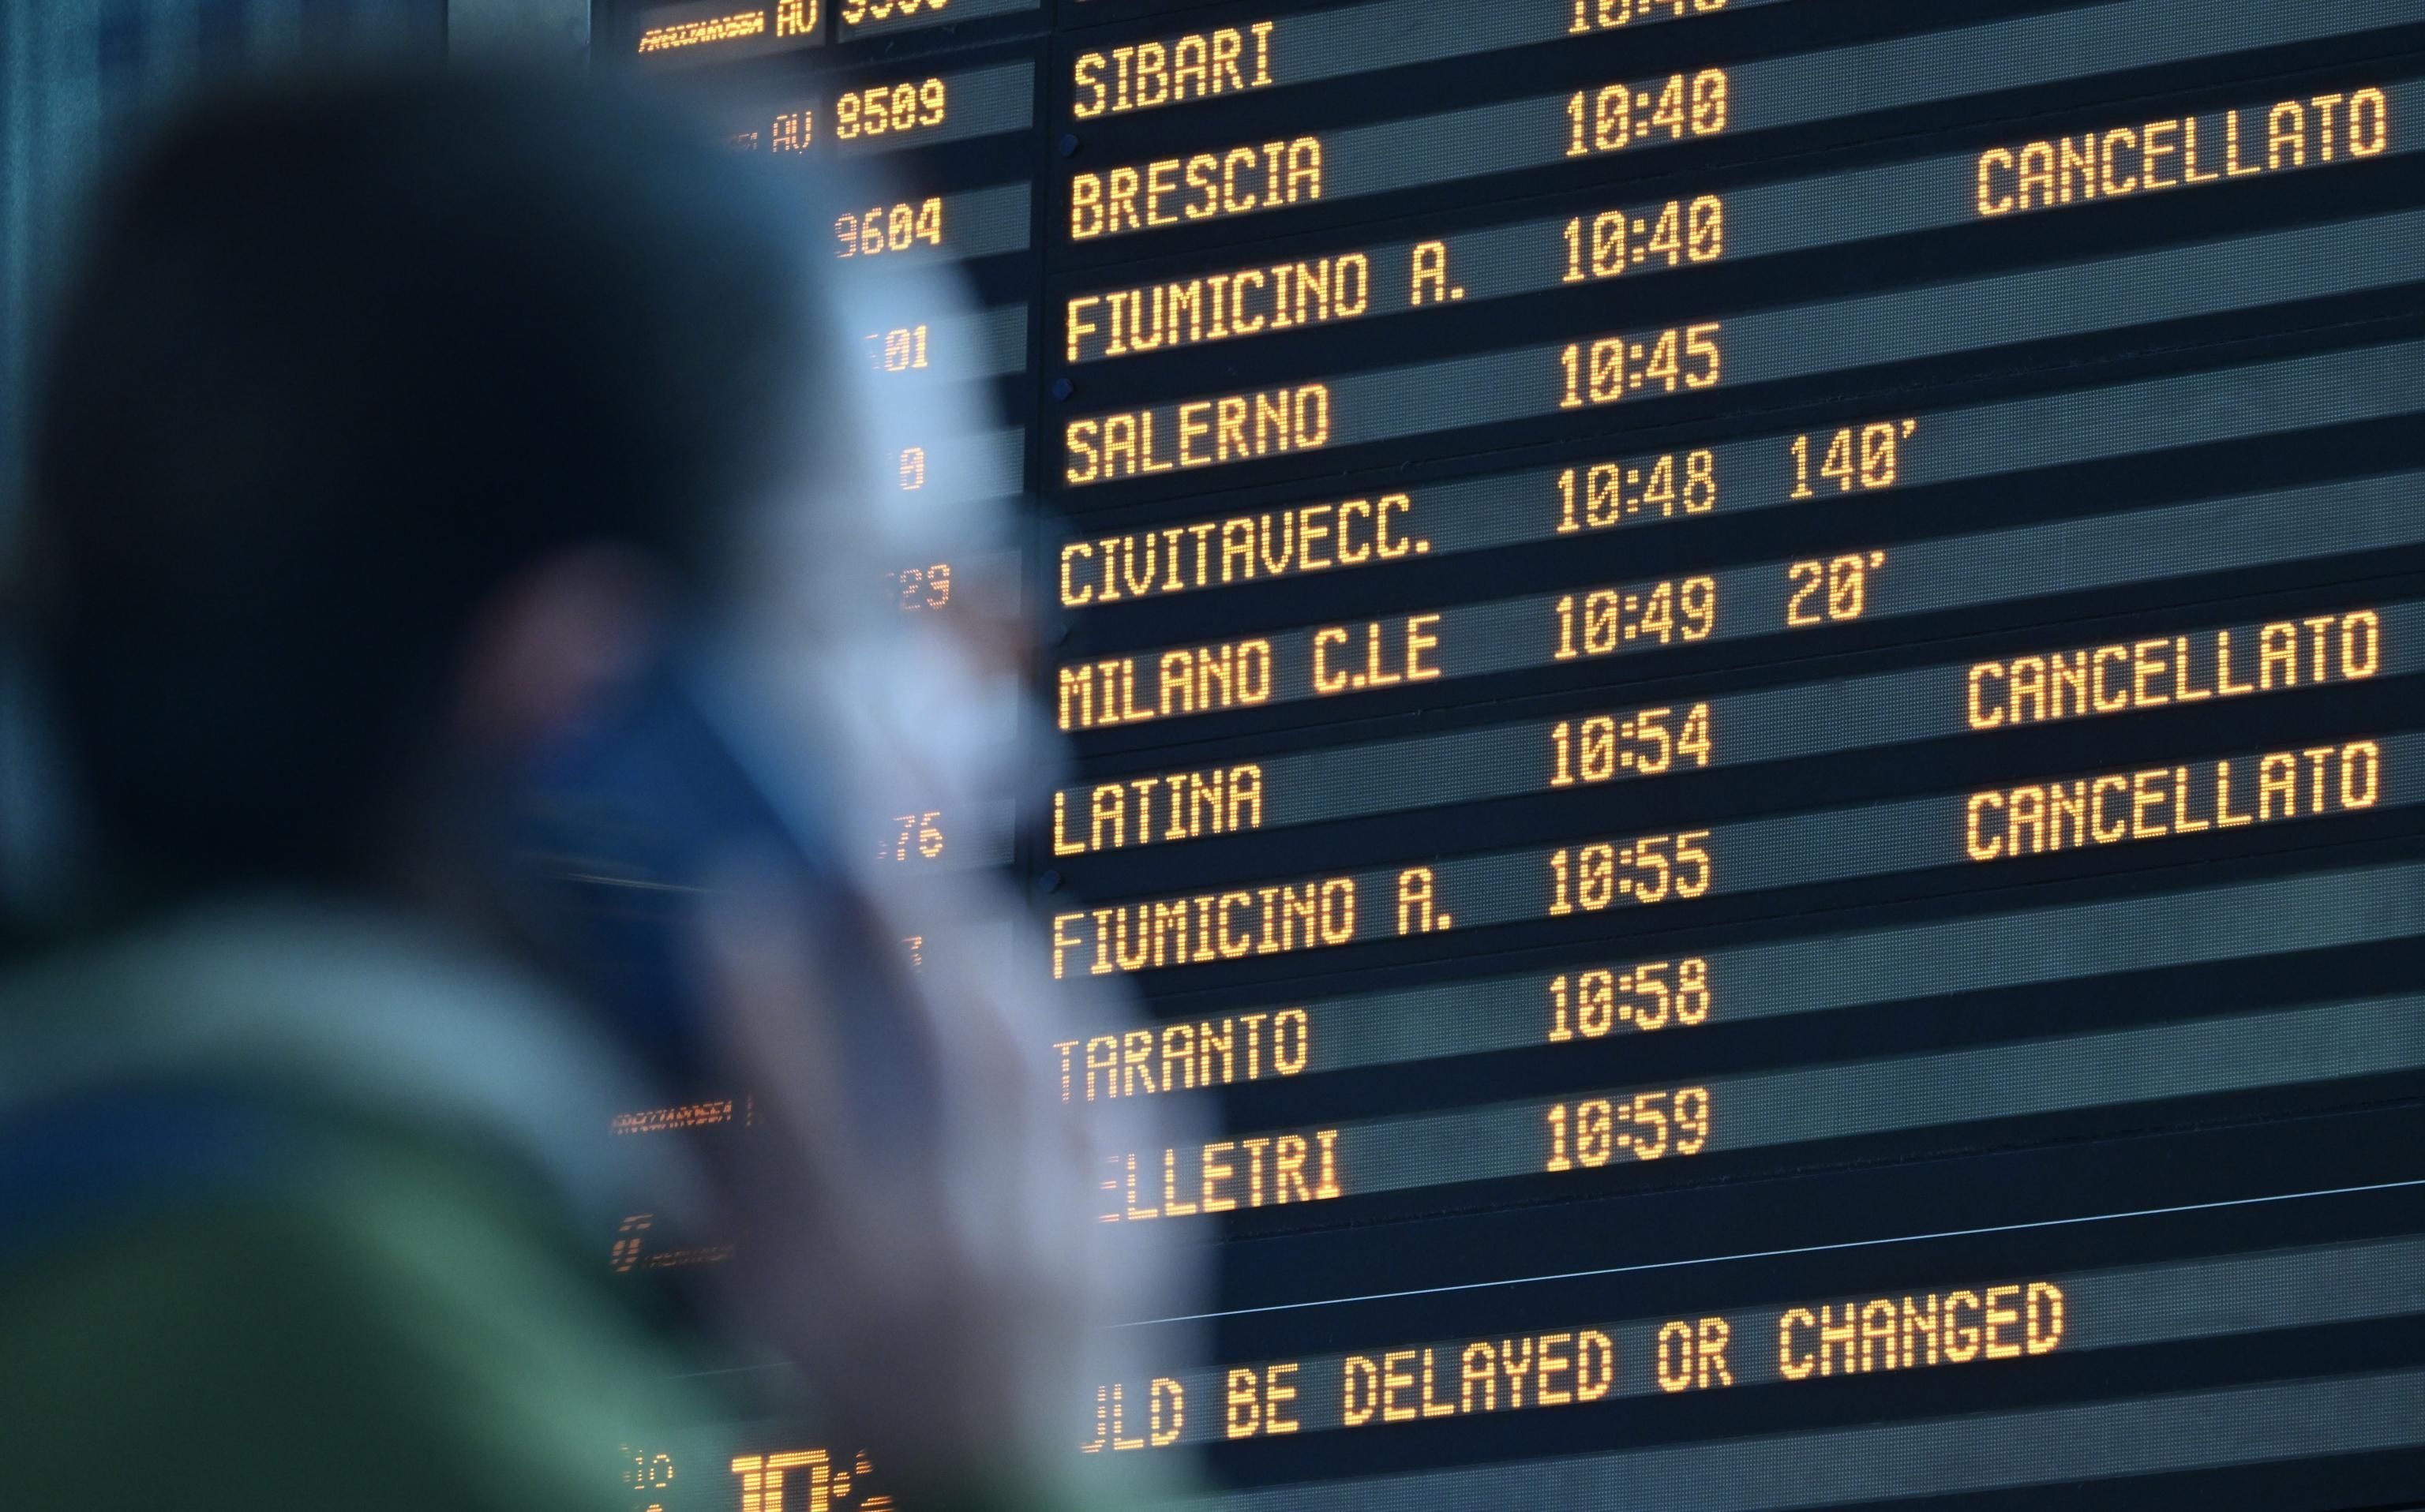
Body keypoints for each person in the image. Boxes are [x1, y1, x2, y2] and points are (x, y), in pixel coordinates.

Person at [0, 66, 1194, 1511]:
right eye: (896, 606)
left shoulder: (130, 1194)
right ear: (593, 706)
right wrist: (1006, 1449)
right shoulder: (338, 1341)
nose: (1005, 757)